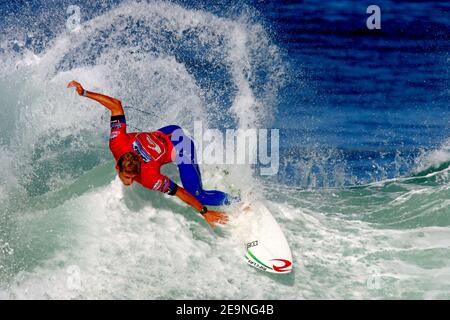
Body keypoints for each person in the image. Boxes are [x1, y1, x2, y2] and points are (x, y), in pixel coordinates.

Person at [67, 80, 232, 227]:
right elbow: (115, 106)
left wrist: (204, 212)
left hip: (181, 146)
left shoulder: (149, 177)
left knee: (198, 195)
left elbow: (181, 192)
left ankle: (239, 202)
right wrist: (85, 93)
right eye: (128, 177)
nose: (130, 182)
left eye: (132, 177)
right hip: (168, 131)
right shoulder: (117, 142)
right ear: (117, 167)